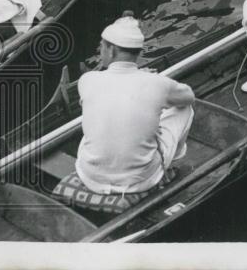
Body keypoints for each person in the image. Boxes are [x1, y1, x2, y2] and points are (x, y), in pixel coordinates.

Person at [75, 13, 195, 195]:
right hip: (140, 181)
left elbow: (114, 90)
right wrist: (153, 80)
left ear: (112, 50)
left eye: (101, 47)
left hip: (90, 176)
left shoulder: (86, 80)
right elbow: (189, 97)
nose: (100, 51)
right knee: (184, 109)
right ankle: (174, 159)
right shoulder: (157, 84)